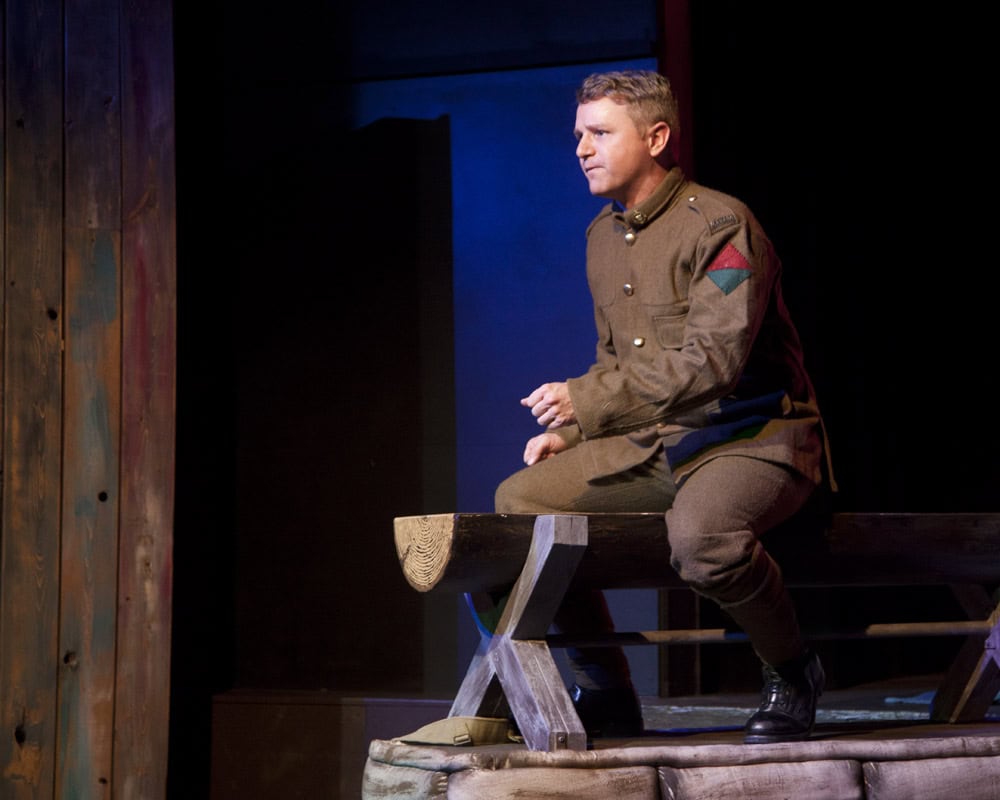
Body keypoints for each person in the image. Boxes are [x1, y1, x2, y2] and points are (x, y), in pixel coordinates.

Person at [494, 69, 835, 745]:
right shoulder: (601, 236)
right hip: (655, 441)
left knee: (702, 540)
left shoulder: (721, 225)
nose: (581, 149)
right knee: (520, 504)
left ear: (655, 138)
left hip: (749, 436)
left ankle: (793, 670)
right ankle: (606, 688)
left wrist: (586, 401)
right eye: (578, 135)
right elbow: (617, 361)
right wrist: (575, 433)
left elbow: (713, 364)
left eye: (599, 133)